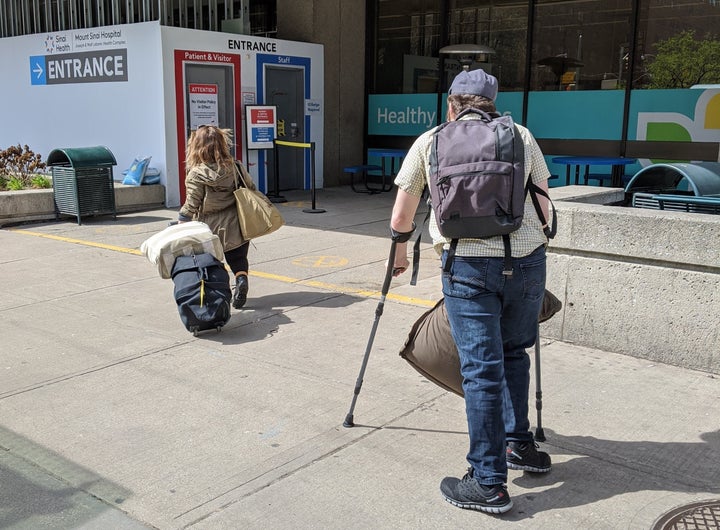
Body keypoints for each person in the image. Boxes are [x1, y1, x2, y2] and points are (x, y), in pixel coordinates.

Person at [390, 69, 553, 515]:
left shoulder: (431, 140)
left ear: (451, 102)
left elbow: (402, 213)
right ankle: (519, 443)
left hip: (467, 264)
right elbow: (542, 198)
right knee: (515, 353)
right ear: (494, 102)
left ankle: (488, 482)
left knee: (482, 370)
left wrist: (400, 251)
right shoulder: (520, 135)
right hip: (526, 263)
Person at [178, 125, 250, 309]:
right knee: (238, 258)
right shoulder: (235, 166)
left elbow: (192, 201)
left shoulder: (197, 173)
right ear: (222, 144)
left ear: (197, 146)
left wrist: (182, 219)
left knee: (213, 262)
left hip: (208, 226)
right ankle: (241, 278)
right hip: (236, 222)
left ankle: (222, 293)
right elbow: (250, 188)